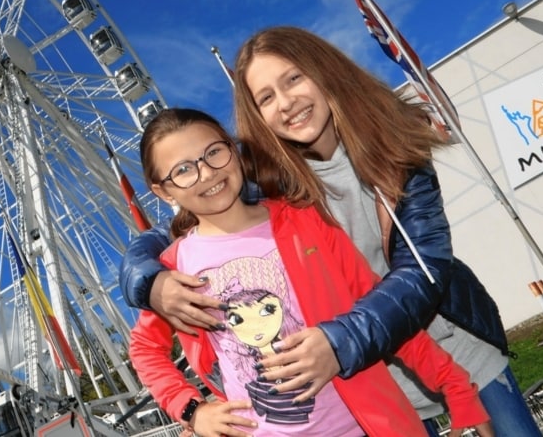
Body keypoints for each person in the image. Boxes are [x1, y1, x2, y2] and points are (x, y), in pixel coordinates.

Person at [121, 26, 540, 436]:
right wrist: (149, 281)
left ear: (325, 72)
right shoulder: (271, 186)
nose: (286, 103)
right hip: (366, 380)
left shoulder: (397, 156)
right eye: (266, 97)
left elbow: (420, 275)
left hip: (438, 343)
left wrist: (339, 343)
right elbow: (177, 235)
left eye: (294, 79)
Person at [127, 107, 490, 437]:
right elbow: (145, 349)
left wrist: (454, 386)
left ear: (234, 150)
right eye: (183, 170)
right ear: (162, 191)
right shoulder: (176, 269)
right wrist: (193, 411)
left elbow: (379, 306)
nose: (206, 173)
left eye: (214, 152)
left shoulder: (304, 221)